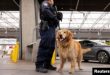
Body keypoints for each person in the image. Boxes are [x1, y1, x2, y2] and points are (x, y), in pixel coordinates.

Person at [35, 0, 62, 73]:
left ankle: (47, 64)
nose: (52, 1)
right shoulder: (45, 3)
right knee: (45, 45)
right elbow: (46, 11)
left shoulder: (53, 7)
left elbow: (53, 17)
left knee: (51, 47)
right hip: (46, 26)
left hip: (52, 28)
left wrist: (58, 16)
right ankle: (39, 65)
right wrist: (55, 17)